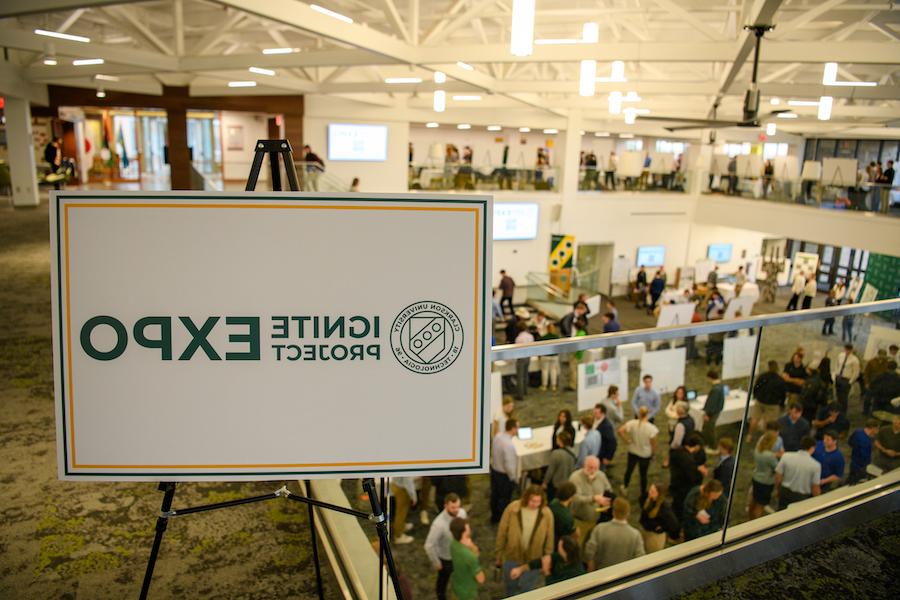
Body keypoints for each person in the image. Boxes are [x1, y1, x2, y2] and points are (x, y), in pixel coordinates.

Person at [494, 485, 554, 596]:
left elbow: (549, 537)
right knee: (510, 588)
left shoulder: (547, 514)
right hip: (512, 556)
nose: (535, 504)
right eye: (532, 501)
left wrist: (547, 557)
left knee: (528, 589)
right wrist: (498, 555)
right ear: (526, 498)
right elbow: (502, 533)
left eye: (538, 502)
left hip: (533, 559)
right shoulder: (512, 508)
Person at [424, 493, 468, 600]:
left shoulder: (462, 513)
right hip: (446, 558)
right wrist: (436, 563)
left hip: (460, 554)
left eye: (458, 506)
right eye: (453, 507)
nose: (456, 510)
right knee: (443, 580)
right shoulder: (438, 524)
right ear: (445, 506)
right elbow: (429, 545)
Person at [585, 498, 645, 570]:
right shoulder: (635, 535)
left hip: (602, 572)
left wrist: (591, 571)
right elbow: (640, 557)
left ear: (613, 512)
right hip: (624, 574)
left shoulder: (600, 528)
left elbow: (589, 552)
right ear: (628, 514)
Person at [569, 456, 613, 544]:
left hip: (597, 519)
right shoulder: (575, 478)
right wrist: (593, 498)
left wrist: (606, 500)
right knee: (577, 543)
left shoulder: (601, 476)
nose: (592, 470)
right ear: (584, 466)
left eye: (595, 468)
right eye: (590, 467)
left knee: (592, 542)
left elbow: (609, 490)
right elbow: (575, 498)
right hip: (580, 520)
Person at [510, 534, 585, 586]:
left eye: (559, 546)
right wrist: (520, 569)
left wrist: (546, 571)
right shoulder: (560, 557)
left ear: (566, 552)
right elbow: (540, 562)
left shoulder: (575, 572)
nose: (557, 548)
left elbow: (555, 589)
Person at [618, 406, 659, 498]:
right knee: (643, 474)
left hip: (632, 450)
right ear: (647, 415)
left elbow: (620, 431)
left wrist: (627, 440)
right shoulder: (652, 428)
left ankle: (625, 486)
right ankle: (643, 492)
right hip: (645, 454)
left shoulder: (632, 423)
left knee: (629, 470)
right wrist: (653, 454)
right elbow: (653, 444)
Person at [775, 435, 821, 509]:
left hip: (785, 491)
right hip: (801, 497)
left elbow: (778, 476)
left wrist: (778, 490)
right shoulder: (815, 465)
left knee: (781, 514)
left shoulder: (786, 456)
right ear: (812, 448)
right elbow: (815, 487)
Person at [749, 360, 787, 443]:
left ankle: (750, 435)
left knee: (754, 419)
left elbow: (756, 387)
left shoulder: (762, 376)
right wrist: (782, 404)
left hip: (760, 400)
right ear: (777, 368)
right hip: (772, 404)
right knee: (769, 423)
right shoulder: (780, 380)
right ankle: (766, 440)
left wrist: (755, 396)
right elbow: (783, 393)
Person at [669, 434, 707, 518]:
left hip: (675, 483)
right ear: (696, 446)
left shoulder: (677, 452)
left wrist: (696, 467)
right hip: (684, 488)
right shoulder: (688, 460)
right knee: (681, 507)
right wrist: (701, 473)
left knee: (675, 504)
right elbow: (693, 478)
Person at [490, 418, 519, 523]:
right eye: (517, 428)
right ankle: (502, 519)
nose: (518, 430)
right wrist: (513, 479)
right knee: (504, 498)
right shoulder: (509, 445)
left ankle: (494, 516)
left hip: (494, 470)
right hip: (504, 475)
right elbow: (509, 465)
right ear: (512, 429)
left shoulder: (498, 436)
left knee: (495, 495)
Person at [448, 518, 484, 600]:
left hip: (457, 586)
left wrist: (471, 547)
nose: (470, 530)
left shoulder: (452, 544)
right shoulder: (470, 557)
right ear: (463, 533)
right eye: (468, 528)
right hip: (468, 593)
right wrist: (472, 548)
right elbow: (481, 579)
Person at [749, 429, 781, 519]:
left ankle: (750, 518)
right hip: (766, 482)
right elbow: (777, 468)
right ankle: (756, 524)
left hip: (756, 477)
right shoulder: (770, 456)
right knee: (760, 505)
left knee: (754, 500)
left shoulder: (757, 450)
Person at [639, 482, 680, 553]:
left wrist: (661, 528)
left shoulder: (664, 509)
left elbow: (675, 525)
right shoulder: (648, 498)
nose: (649, 492)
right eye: (650, 490)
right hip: (646, 531)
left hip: (655, 538)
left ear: (659, 494)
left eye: (652, 491)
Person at [543, 432, 576, 500]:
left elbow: (551, 471)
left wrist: (545, 482)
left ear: (560, 441)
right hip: (568, 483)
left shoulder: (556, 453)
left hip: (557, 484)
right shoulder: (573, 451)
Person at [848, 419, 881, 484]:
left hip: (853, 462)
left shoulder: (858, 431)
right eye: (877, 428)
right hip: (860, 468)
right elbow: (865, 458)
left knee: (851, 478)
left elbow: (850, 442)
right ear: (873, 428)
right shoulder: (866, 442)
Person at [832, 344, 860, 414]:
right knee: (838, 395)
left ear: (851, 350)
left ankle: (843, 412)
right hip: (839, 377)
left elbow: (856, 372)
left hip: (846, 379)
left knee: (844, 398)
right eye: (846, 349)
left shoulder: (855, 360)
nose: (847, 351)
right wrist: (835, 375)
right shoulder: (840, 355)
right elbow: (837, 365)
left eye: (849, 350)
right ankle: (837, 410)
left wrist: (850, 382)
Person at [701, 368, 725, 449]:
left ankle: (713, 446)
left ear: (710, 377)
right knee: (709, 428)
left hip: (712, 413)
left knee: (710, 429)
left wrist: (707, 414)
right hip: (716, 411)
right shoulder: (720, 386)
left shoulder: (715, 389)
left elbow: (712, 403)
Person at [390, 477, 417, 544]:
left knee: (401, 511)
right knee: (401, 513)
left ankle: (401, 526)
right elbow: (408, 482)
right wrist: (413, 496)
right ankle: (398, 536)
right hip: (402, 488)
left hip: (397, 484)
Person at [593, 403, 618, 472]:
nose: (594, 414)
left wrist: (608, 457)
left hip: (601, 455)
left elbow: (613, 443)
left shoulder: (606, 427)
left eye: (596, 413)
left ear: (602, 414)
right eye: (594, 412)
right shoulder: (596, 420)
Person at [513, 321, 534, 400]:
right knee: (526, 375)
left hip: (521, 357)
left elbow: (516, 350)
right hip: (528, 357)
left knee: (520, 377)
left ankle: (520, 394)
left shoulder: (518, 338)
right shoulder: (530, 336)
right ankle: (525, 391)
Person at [539, 322, 561, 392]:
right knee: (553, 370)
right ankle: (553, 386)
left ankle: (544, 386)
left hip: (545, 355)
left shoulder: (543, 337)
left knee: (545, 371)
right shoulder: (556, 337)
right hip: (554, 356)